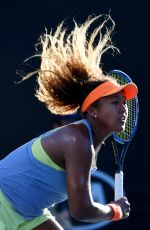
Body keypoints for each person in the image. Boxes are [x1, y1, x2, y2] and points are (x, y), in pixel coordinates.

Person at [0, 14, 138, 230]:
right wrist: (115, 210)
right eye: (114, 103)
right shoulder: (77, 139)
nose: (123, 108)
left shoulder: (88, 142)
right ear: (92, 111)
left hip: (29, 213)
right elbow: (80, 210)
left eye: (124, 103)